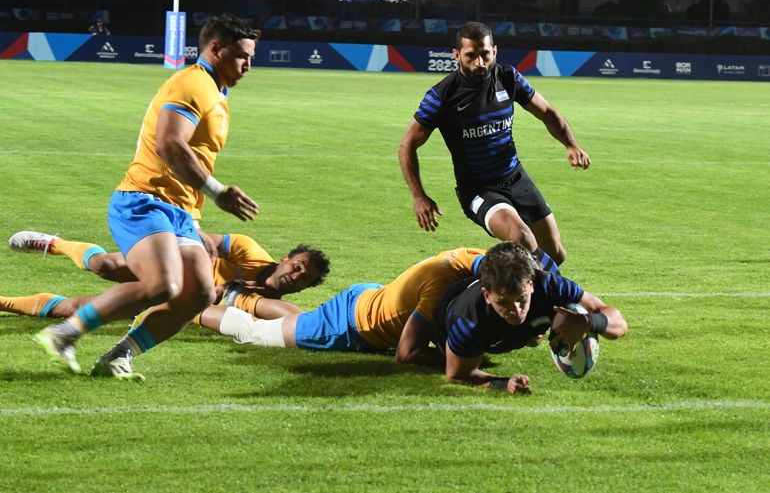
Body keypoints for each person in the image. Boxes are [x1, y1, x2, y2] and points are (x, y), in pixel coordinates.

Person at [33, 14, 261, 381]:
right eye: (241, 56)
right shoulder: (193, 83)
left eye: (251, 57)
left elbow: (194, 157)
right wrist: (218, 192)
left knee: (200, 293)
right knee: (162, 285)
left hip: (179, 212)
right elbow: (170, 144)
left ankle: (118, 356)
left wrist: (194, 221)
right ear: (216, 48)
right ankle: (64, 333)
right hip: (144, 200)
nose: (248, 65)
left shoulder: (217, 92)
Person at [397, 21, 591, 265]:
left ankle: (507, 281)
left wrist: (571, 145)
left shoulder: (508, 78)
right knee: (522, 238)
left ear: (495, 51)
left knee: (555, 255)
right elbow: (407, 145)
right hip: (478, 189)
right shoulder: (442, 96)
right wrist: (418, 196)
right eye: (471, 55)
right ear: (457, 55)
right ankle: (500, 282)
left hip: (516, 177)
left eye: (485, 54)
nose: (479, 63)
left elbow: (547, 112)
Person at [193, 247, 487, 366]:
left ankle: (237, 299)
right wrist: (460, 358)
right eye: (296, 267)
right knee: (255, 333)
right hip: (351, 322)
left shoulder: (470, 257)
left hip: (375, 297)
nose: (296, 275)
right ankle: (190, 310)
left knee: (296, 317)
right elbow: (406, 355)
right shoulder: (438, 287)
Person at [424, 241, 627, 394]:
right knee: (411, 353)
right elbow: (457, 374)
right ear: (487, 296)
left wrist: (588, 322)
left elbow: (619, 324)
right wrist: (503, 383)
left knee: (571, 312)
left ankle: (534, 330)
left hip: (521, 314)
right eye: (503, 302)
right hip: (443, 308)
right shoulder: (468, 321)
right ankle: (533, 330)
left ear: (531, 285)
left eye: (521, 299)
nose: (515, 310)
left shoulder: (549, 285)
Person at [4, 230, 330, 320]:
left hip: (172, 298)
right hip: (169, 263)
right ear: (285, 259)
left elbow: (296, 318)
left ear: (304, 288)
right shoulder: (249, 250)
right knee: (103, 265)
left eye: (305, 278)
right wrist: (202, 252)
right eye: (297, 265)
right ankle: (55, 244)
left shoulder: (264, 306)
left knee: (76, 309)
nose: (296, 275)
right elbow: (196, 235)